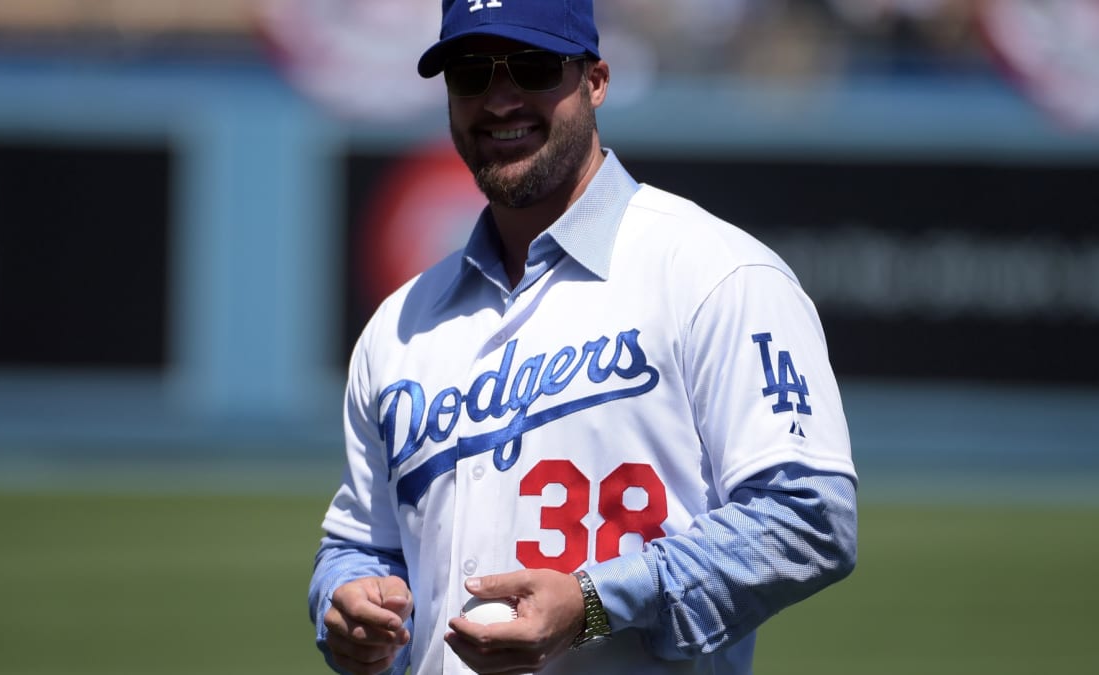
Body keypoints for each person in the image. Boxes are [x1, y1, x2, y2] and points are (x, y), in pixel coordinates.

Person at [308, 1, 858, 673]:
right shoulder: (400, 324)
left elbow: (809, 515)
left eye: (533, 68)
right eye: (470, 73)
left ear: (596, 80)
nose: (499, 99)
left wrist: (596, 601)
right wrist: (344, 604)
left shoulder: (715, 272)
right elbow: (362, 546)